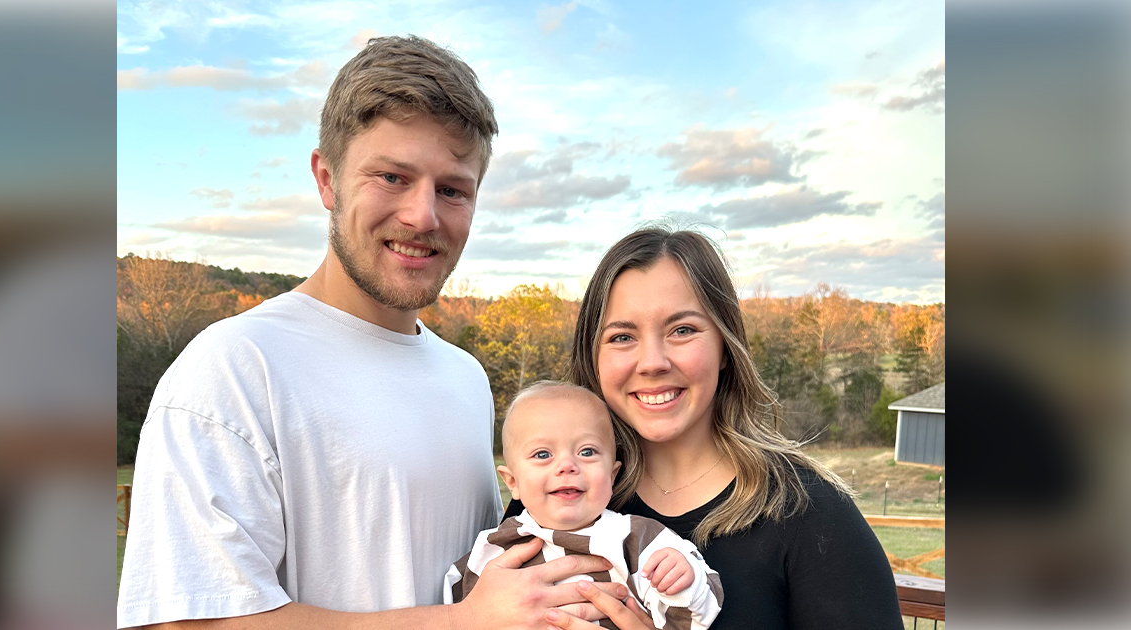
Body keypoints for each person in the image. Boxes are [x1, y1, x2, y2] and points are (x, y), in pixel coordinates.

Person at [116, 35, 623, 630]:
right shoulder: (235, 369)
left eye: (452, 189)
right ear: (327, 180)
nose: (423, 216)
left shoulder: (465, 379)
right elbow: (184, 622)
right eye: (391, 177)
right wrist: (460, 623)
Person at [510, 227, 905, 630]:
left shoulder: (810, 515)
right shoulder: (551, 497)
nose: (652, 362)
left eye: (682, 330)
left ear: (724, 346)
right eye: (622, 336)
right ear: (593, 357)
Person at [446, 382, 723, 630]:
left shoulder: (637, 540)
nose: (567, 466)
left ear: (612, 475)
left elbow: (696, 617)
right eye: (543, 454)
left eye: (587, 452)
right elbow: (453, 611)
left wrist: (681, 584)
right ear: (512, 481)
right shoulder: (495, 548)